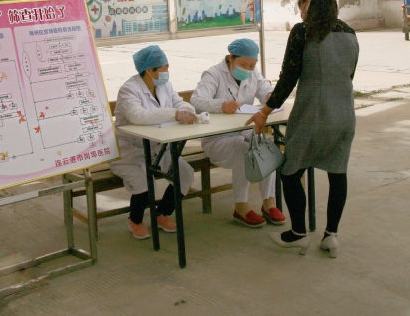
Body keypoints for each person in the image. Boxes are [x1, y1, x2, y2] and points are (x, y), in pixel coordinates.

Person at [247, 0, 359, 257]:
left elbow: (288, 78)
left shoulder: (303, 32)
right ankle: (331, 236)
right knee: (337, 172)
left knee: (290, 171)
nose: (300, 13)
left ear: (308, 2)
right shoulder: (350, 33)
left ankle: (298, 233)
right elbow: (350, 74)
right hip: (344, 113)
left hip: (312, 113)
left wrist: (264, 112)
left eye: (301, 7)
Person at [191, 38, 285, 228]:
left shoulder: (253, 73)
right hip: (218, 139)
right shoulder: (213, 74)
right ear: (231, 57)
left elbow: (266, 90)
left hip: (243, 132)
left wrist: (270, 96)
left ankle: (269, 203)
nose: (248, 69)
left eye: (252, 65)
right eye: (243, 64)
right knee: (246, 152)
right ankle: (241, 207)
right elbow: (197, 100)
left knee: (265, 147)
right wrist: (221, 105)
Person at [110, 45, 199, 240]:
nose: (167, 71)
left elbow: (178, 102)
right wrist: (174, 114)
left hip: (158, 147)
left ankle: (161, 214)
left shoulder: (164, 85)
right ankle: (135, 221)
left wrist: (187, 110)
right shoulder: (129, 89)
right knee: (145, 184)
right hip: (130, 153)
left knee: (185, 174)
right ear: (150, 70)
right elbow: (138, 116)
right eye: (164, 68)